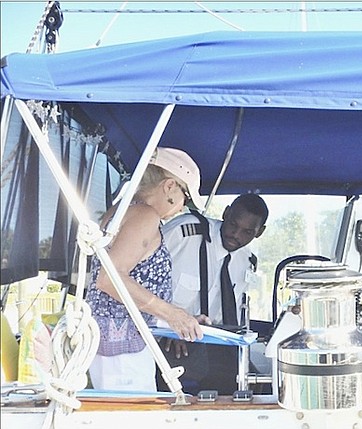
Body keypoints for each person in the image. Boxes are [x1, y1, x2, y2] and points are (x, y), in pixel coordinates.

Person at [86, 147, 205, 392]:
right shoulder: (145, 215)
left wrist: (180, 318)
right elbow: (109, 279)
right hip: (123, 353)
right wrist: (170, 313)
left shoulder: (121, 210)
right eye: (186, 197)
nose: (183, 207)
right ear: (169, 186)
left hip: (112, 347)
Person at [157, 193, 269, 395]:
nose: (235, 235)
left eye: (247, 232)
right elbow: (139, 274)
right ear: (226, 213)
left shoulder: (247, 261)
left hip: (216, 347)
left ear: (259, 233)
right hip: (167, 340)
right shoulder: (185, 232)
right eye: (233, 224)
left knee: (257, 389)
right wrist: (170, 322)